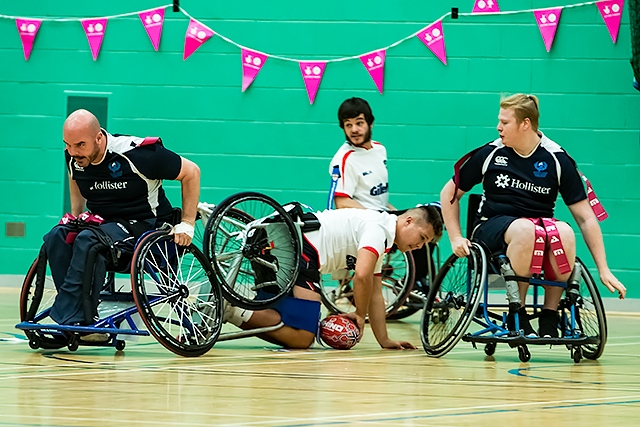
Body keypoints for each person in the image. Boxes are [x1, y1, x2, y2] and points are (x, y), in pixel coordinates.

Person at [440, 93, 626, 338]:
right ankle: (518, 312)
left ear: (525, 124)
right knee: (526, 230)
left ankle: (550, 314)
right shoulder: (491, 153)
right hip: (491, 228)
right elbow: (448, 193)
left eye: (505, 122)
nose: (498, 127)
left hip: (540, 227)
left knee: (565, 231)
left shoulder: (556, 158)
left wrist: (604, 269)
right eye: (499, 121)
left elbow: (586, 217)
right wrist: (455, 237)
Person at [43, 109, 201, 335]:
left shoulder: (138, 154)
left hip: (145, 226)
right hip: (103, 225)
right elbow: (74, 177)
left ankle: (74, 319)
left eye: (79, 145)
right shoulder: (74, 155)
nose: (72, 151)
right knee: (58, 235)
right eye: (68, 145)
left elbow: (192, 172)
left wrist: (187, 223)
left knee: (89, 241)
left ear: (99, 137)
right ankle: (79, 312)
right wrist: (76, 215)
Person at [223, 205, 443, 349]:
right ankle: (230, 308)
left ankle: (233, 309)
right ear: (408, 221)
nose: (420, 246)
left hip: (286, 240)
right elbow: (362, 276)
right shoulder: (379, 229)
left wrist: (384, 340)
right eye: (422, 238)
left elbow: (375, 293)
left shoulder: (383, 233)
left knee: (289, 325)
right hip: (296, 244)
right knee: (302, 337)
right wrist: (359, 314)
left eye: (425, 244)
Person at [328, 97, 395, 210]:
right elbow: (342, 203)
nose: (354, 130)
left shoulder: (380, 149)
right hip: (361, 224)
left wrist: (397, 215)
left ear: (370, 123)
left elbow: (376, 202)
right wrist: (380, 219)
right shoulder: (343, 159)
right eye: (348, 125)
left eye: (359, 123)